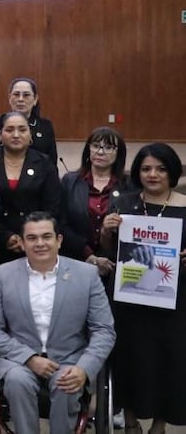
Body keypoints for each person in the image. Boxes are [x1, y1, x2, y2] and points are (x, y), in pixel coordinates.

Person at [0, 212, 115, 434]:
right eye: (32, 238)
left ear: (59, 240)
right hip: (20, 360)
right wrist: (28, 358)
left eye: (46, 236)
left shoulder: (87, 275)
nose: (40, 243)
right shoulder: (3, 275)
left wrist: (84, 368)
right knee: (17, 381)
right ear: (22, 243)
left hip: (70, 358)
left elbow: (104, 330)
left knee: (67, 382)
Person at [107, 143, 186, 434]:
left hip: (175, 299)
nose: (153, 174)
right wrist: (106, 230)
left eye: (161, 168)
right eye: (146, 168)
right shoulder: (124, 204)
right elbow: (111, 251)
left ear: (172, 172)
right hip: (131, 298)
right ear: (137, 172)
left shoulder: (185, 205)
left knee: (169, 360)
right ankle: (130, 421)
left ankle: (159, 426)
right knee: (130, 357)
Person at [0, 112, 62, 293]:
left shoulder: (44, 163)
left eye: (22, 129)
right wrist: (6, 237)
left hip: (36, 244)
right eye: (9, 130)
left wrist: (30, 238)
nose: (16, 135)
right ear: (0, 135)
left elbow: (52, 206)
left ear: (30, 135)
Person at [58, 127, 130, 272]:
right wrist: (89, 256)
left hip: (116, 264)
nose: (101, 152)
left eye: (108, 147)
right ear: (88, 149)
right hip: (76, 259)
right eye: (96, 146)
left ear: (119, 153)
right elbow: (61, 223)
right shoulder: (70, 181)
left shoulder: (129, 185)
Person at [0, 77, 57, 166]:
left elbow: (52, 162)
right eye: (16, 94)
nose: (20, 99)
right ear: (9, 98)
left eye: (26, 95)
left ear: (35, 99)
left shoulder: (45, 125)